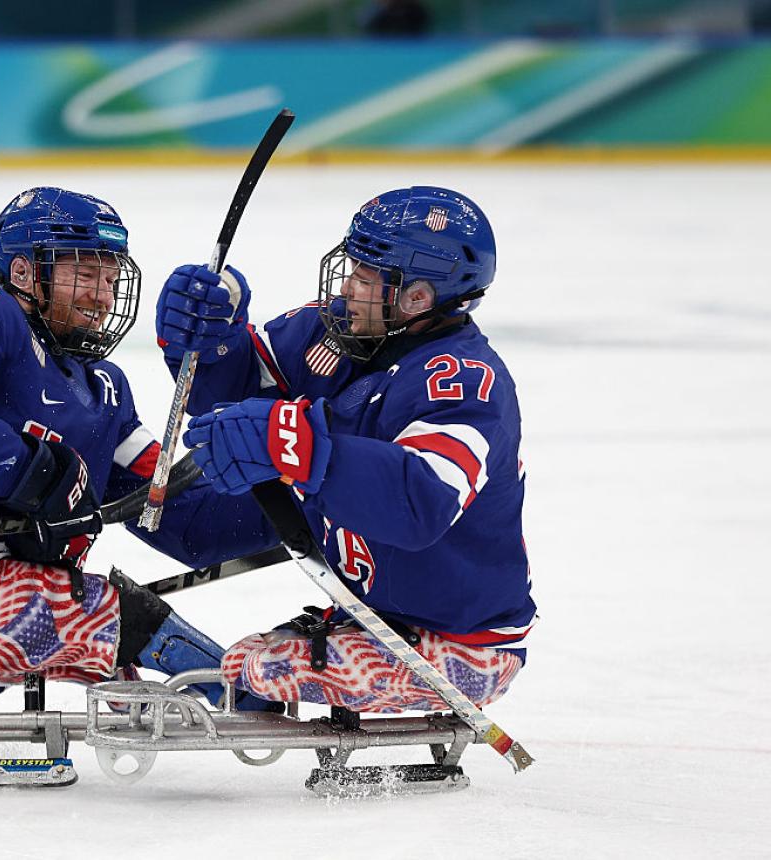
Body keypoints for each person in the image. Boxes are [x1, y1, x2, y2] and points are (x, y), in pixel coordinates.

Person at [0, 187, 277, 725]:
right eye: (85, 273)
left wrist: (307, 500)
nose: (103, 296)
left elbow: (189, 521)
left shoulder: (104, 390)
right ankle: (244, 696)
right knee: (127, 620)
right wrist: (32, 475)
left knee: (121, 622)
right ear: (23, 272)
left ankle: (224, 691)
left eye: (110, 278)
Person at [154, 186, 537, 713]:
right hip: (375, 614)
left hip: (461, 643)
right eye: (352, 267)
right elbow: (230, 393)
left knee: (258, 666)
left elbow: (419, 503)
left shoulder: (466, 382)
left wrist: (297, 446)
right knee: (197, 549)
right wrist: (210, 339)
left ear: (418, 298)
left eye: (365, 277)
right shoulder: (339, 328)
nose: (347, 287)